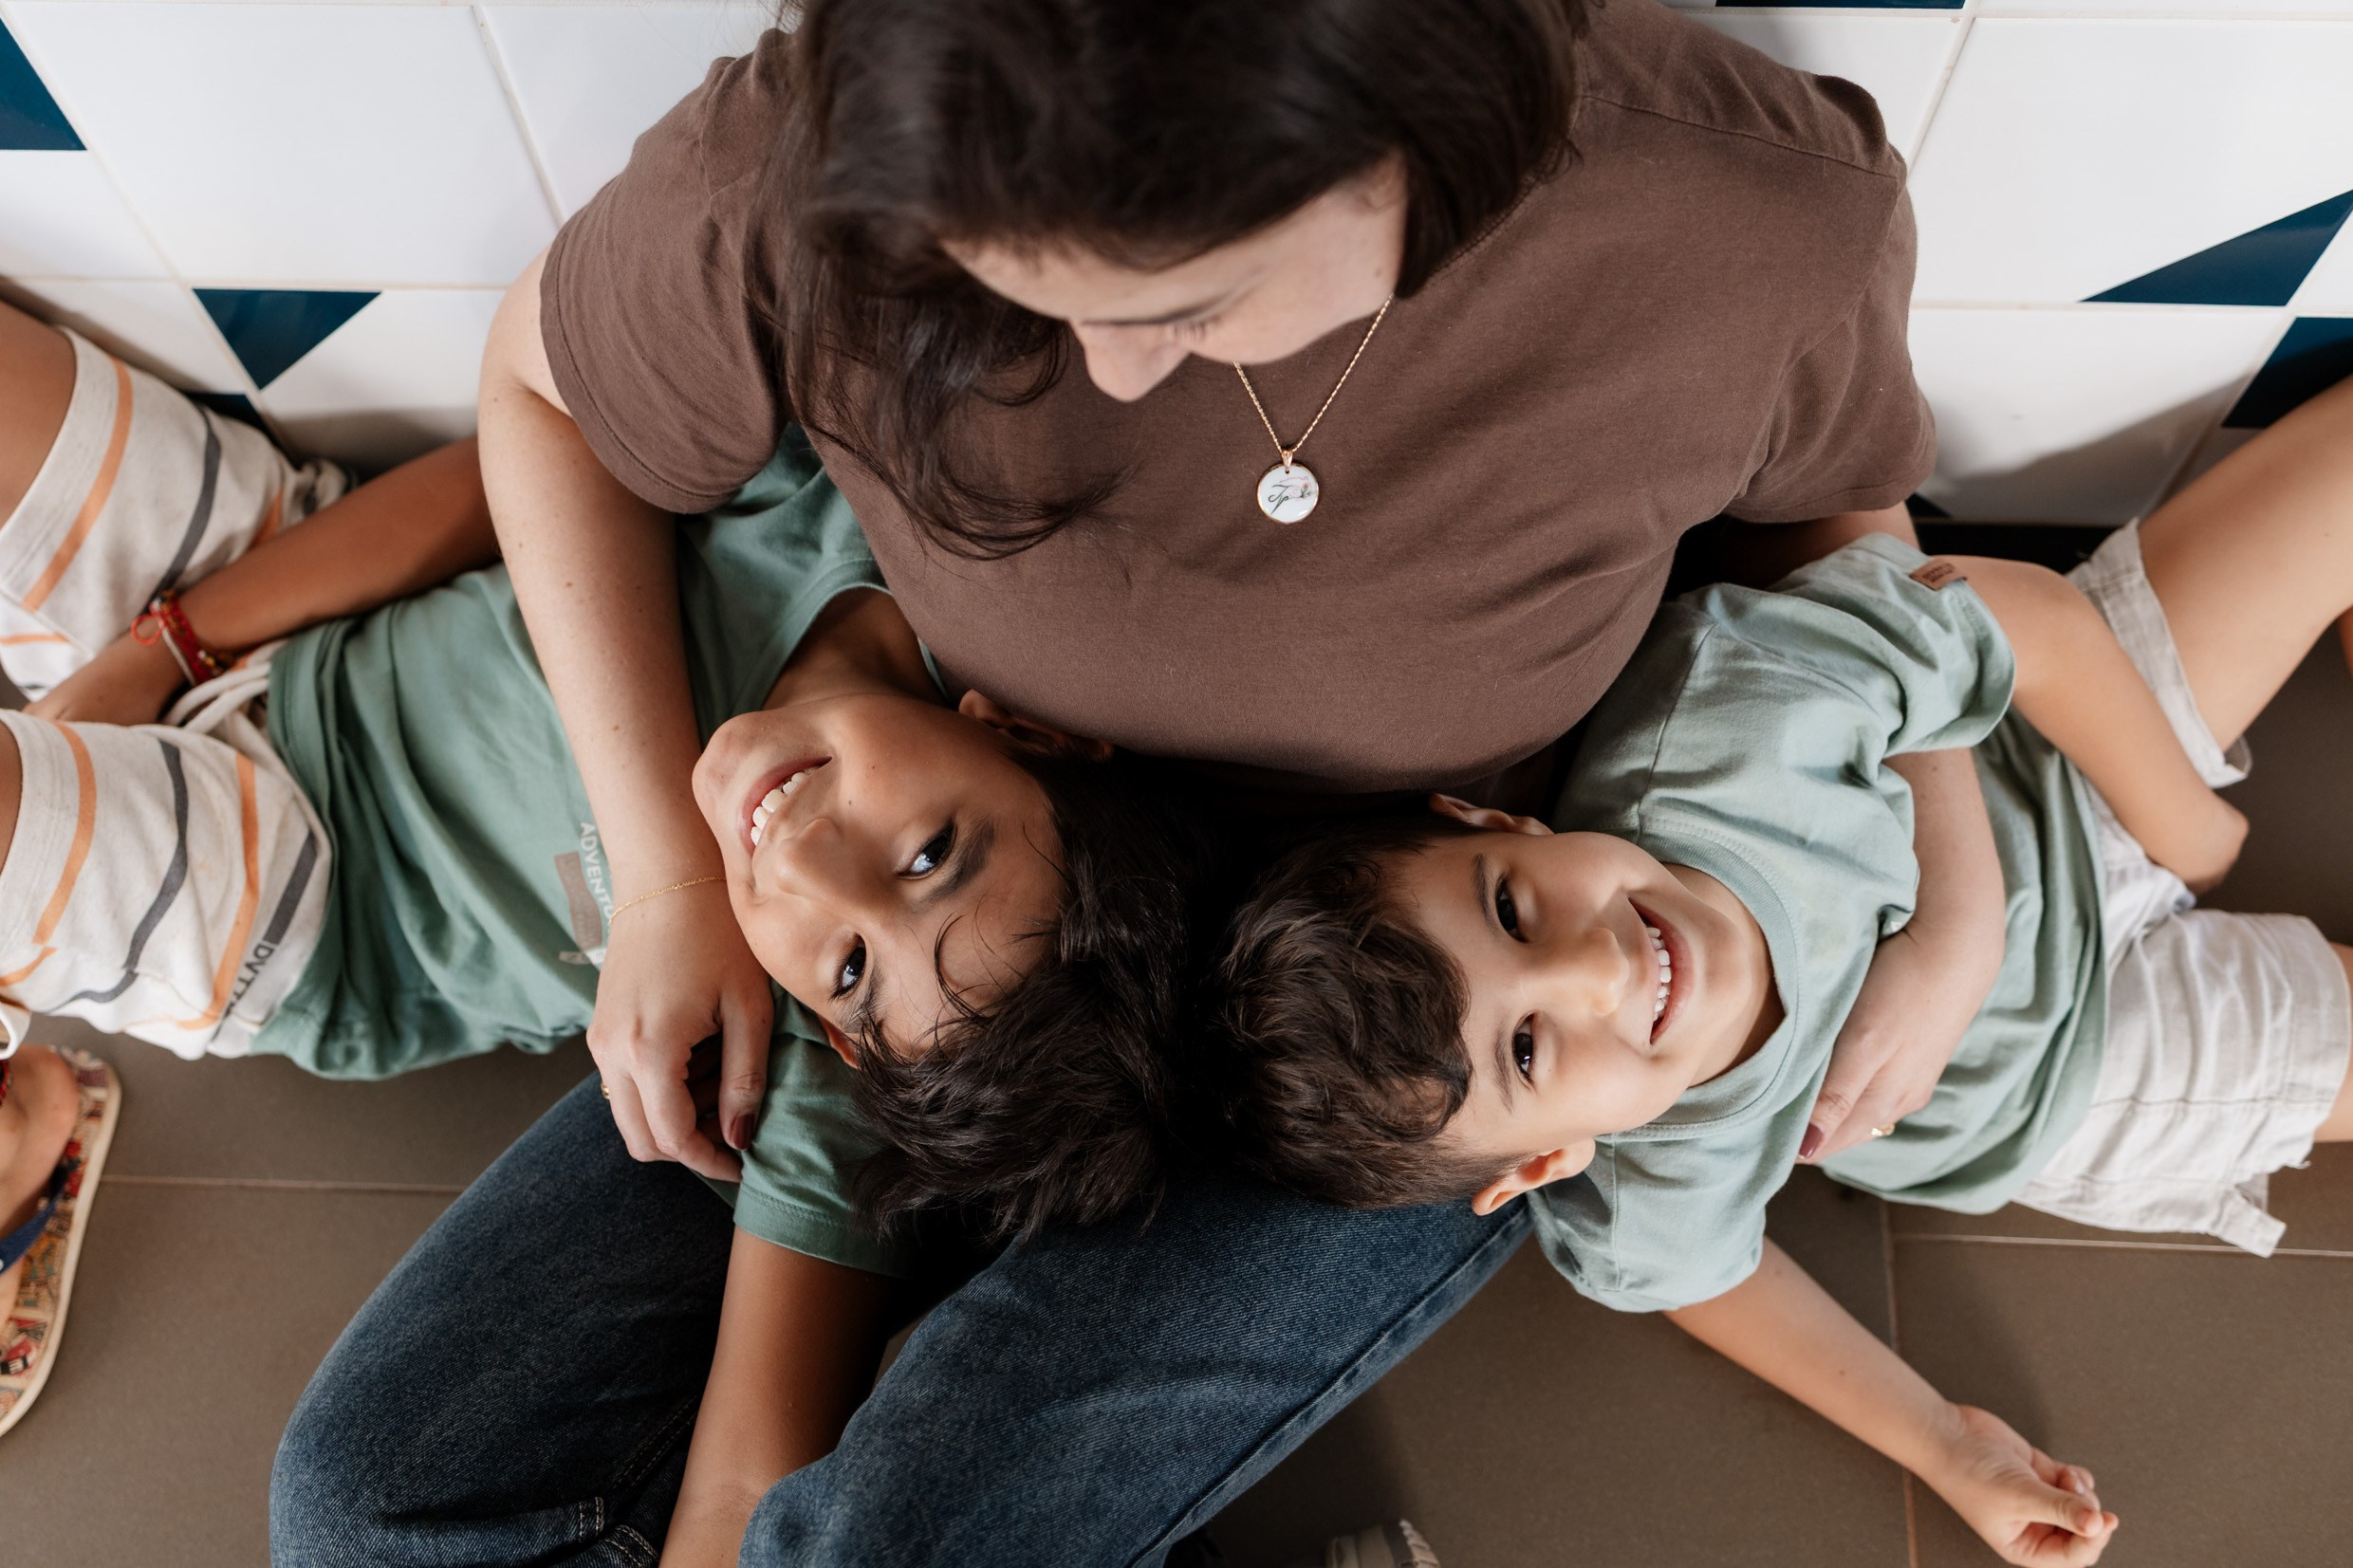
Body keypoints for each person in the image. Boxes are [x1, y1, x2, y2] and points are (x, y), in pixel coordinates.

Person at [279, 3, 1988, 1563]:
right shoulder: (833, 144)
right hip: (999, 921)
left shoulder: (1740, 211)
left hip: (1392, 1006)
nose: (1101, 375)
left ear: (1409, 127)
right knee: (371, 1508)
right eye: (1018, 287)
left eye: (1174, 304)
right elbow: (552, 390)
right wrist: (666, 882)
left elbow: (1836, 523)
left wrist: (1956, 886)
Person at [0, 305, 1215, 1467]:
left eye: (850, 968)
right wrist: (167, 646)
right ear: (1035, 740)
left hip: (299, 895)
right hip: (300, 578)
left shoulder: (816, 1057)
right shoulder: (850, 519)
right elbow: (513, 460)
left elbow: (744, 1472)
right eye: (927, 855)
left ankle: (19, 1135)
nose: (800, 859)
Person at [1214, 376, 2353, 1564]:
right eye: (1526, 1047)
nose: (1599, 966)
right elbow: (1702, 1274)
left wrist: (2183, 828)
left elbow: (2011, 626)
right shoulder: (1645, 1188)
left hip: (2041, 758)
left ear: (1488, 826)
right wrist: (1945, 1446)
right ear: (1549, 1163)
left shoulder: (1730, 715)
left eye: (1510, 910)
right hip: (2083, 1066)